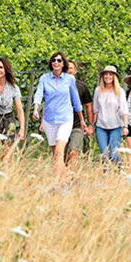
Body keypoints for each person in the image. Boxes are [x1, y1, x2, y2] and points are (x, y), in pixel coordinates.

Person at [32, 52, 86, 180]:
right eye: (54, 60)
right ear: (51, 63)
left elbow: (76, 100)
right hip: (49, 120)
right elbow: (39, 93)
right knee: (56, 155)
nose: (56, 62)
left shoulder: (69, 79)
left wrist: (82, 119)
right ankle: (66, 179)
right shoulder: (44, 78)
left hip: (65, 119)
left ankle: (56, 183)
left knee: (59, 150)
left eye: (59, 60)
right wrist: (36, 109)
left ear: (63, 64)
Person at [93, 65, 128, 169]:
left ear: (114, 77)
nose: (108, 76)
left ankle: (119, 169)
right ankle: (106, 175)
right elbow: (96, 109)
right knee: (104, 154)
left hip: (116, 126)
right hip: (101, 126)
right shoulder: (98, 90)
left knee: (113, 153)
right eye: (106, 74)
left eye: (110, 74)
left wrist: (125, 126)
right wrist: (91, 125)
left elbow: (124, 110)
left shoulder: (119, 91)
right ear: (103, 77)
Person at [65, 60, 94, 166]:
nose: (69, 70)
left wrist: (90, 125)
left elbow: (88, 105)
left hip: (77, 125)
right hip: (60, 124)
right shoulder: (58, 85)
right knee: (61, 154)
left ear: (75, 71)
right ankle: (63, 177)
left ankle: (71, 177)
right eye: (67, 68)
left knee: (73, 151)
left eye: (71, 68)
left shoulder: (82, 86)